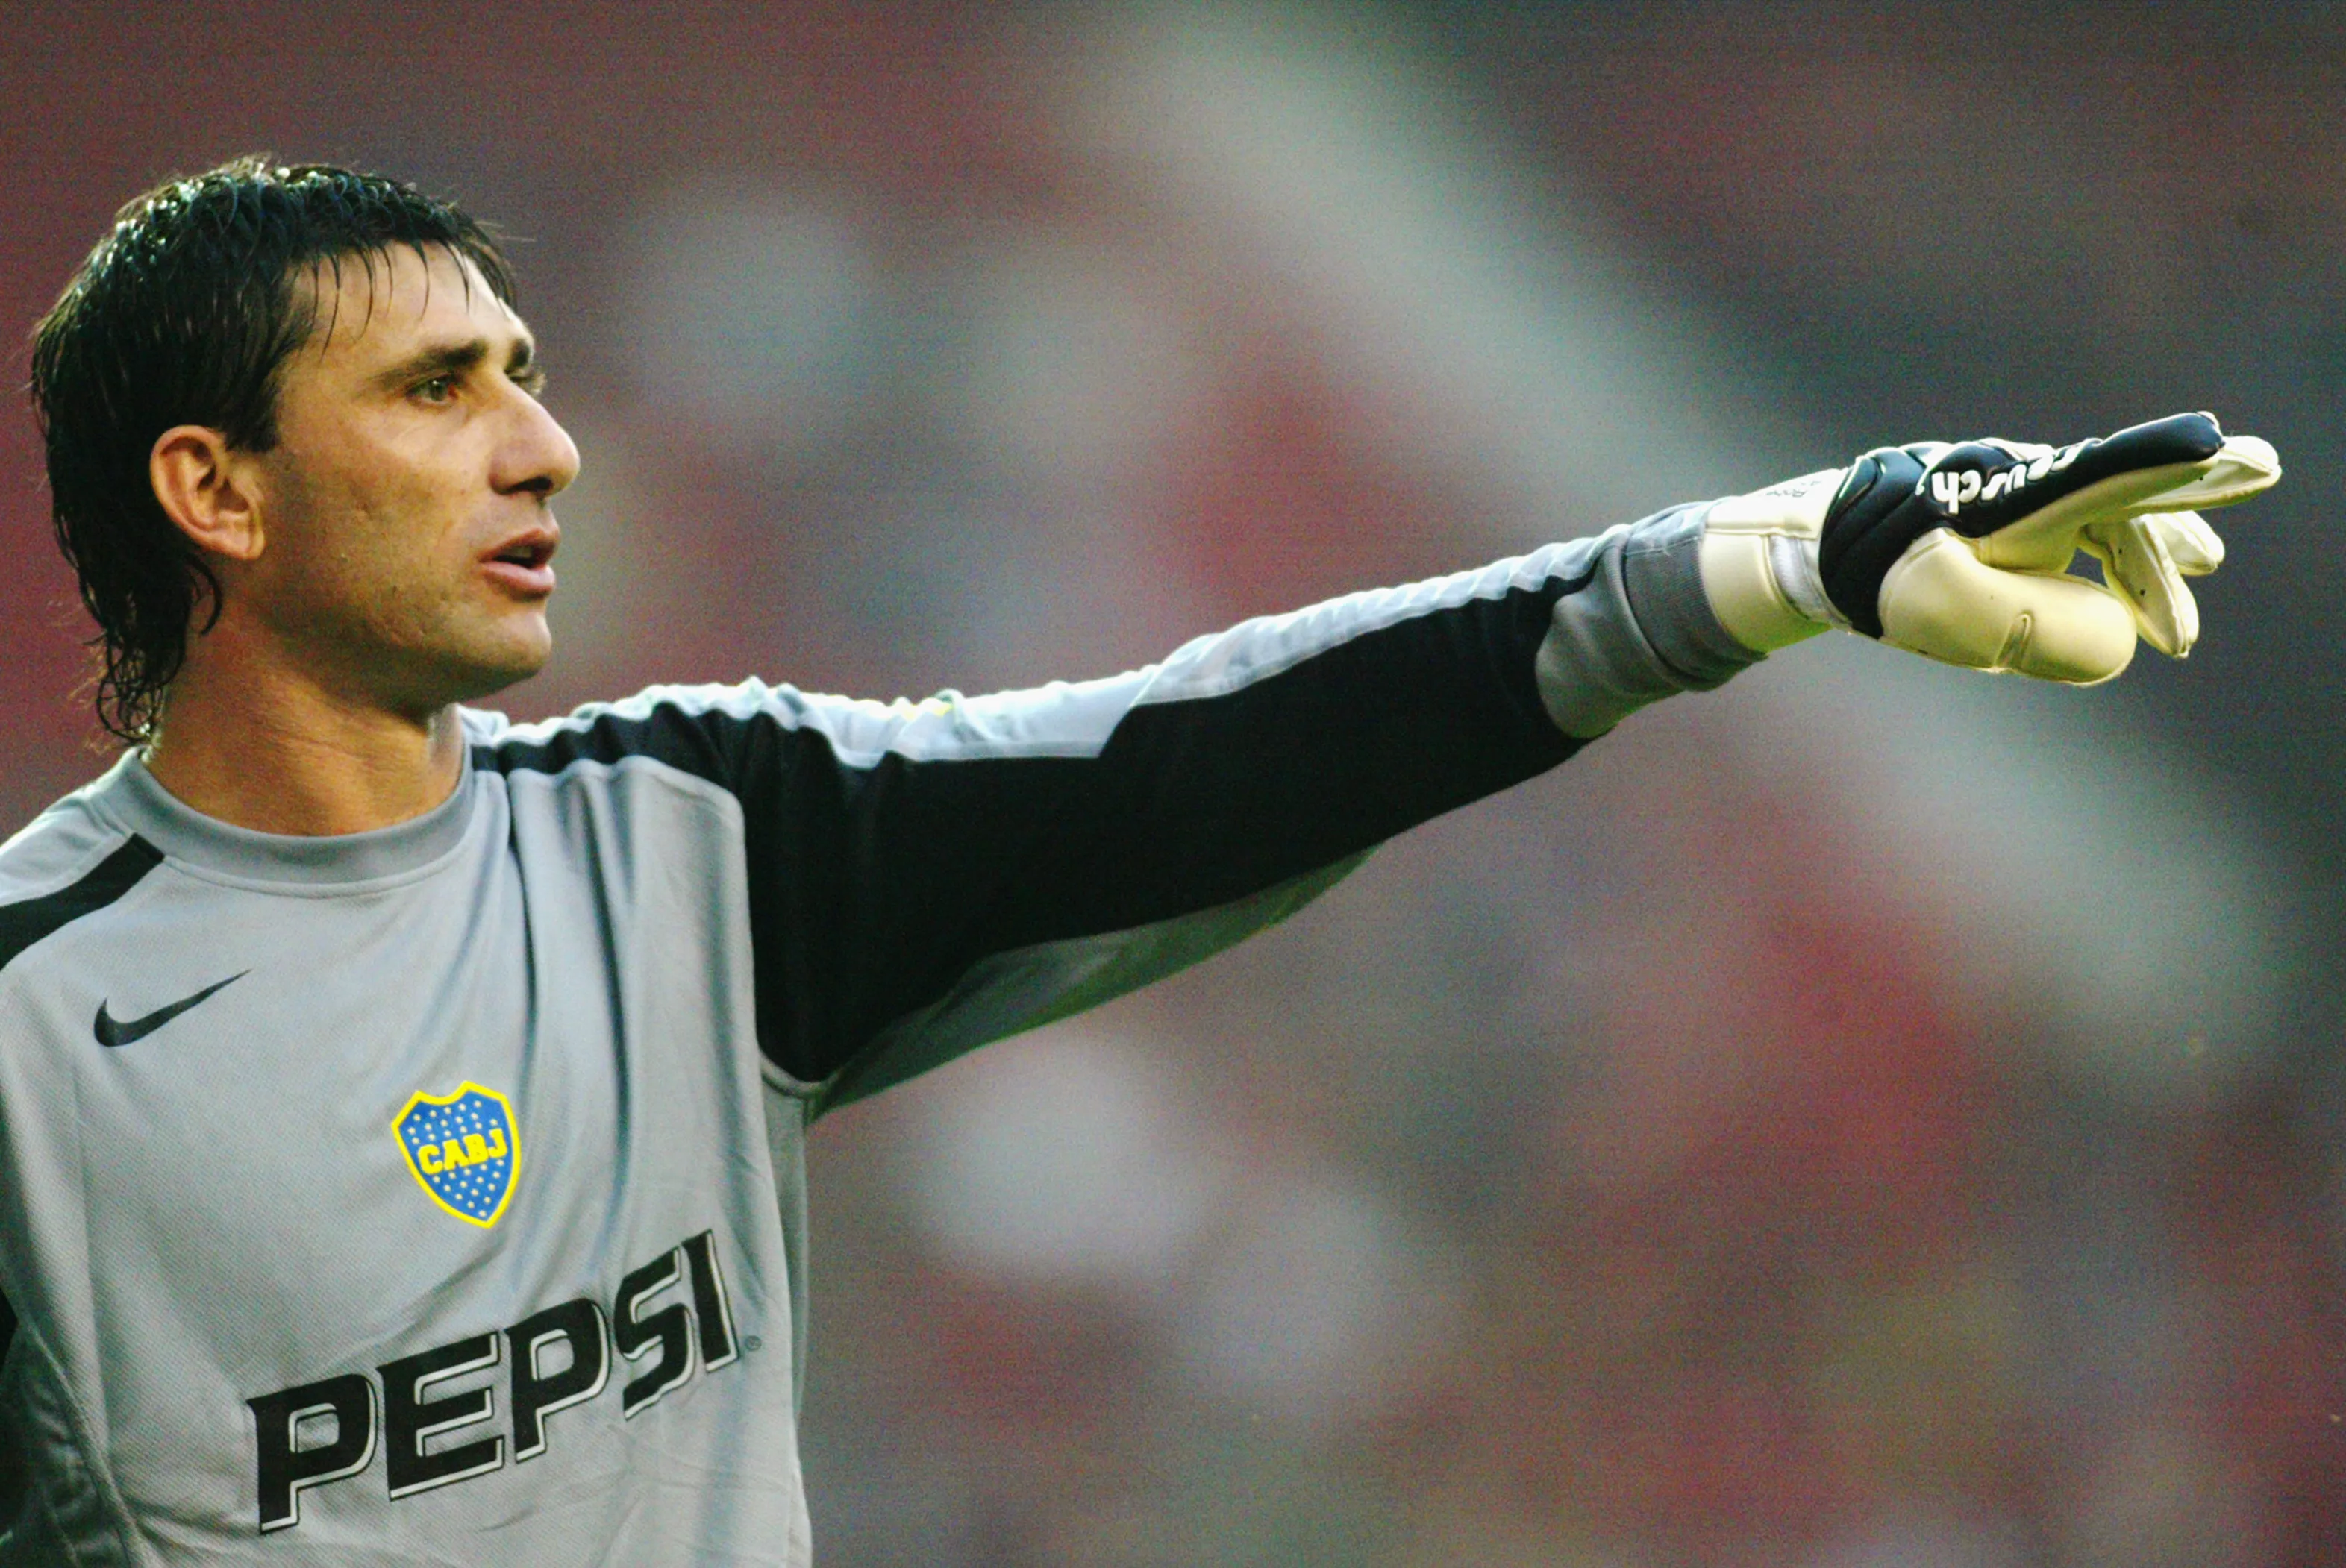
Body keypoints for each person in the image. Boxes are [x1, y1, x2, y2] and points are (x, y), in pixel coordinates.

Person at [0, 159, 2278, 1565]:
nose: (545, 444)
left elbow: (1205, 760)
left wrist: (1787, 553)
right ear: (214, 488)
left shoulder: (689, 838)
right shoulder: (29, 1028)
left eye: (525, 371)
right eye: (436, 390)